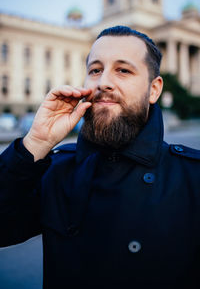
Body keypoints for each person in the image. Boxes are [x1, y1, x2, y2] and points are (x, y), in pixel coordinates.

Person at [0, 25, 200, 289]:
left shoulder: (193, 178)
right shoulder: (58, 171)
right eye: (95, 70)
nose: (103, 81)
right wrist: (35, 143)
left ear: (154, 90)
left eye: (123, 70)